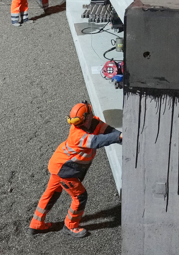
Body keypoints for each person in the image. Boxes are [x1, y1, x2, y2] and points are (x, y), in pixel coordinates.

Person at [29, 101, 123, 238]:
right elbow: (97, 141)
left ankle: (36, 223)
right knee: (80, 196)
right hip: (64, 170)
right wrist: (118, 137)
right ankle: (70, 225)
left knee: (51, 194)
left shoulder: (93, 122)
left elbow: (109, 132)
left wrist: (121, 137)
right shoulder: (77, 134)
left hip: (58, 164)